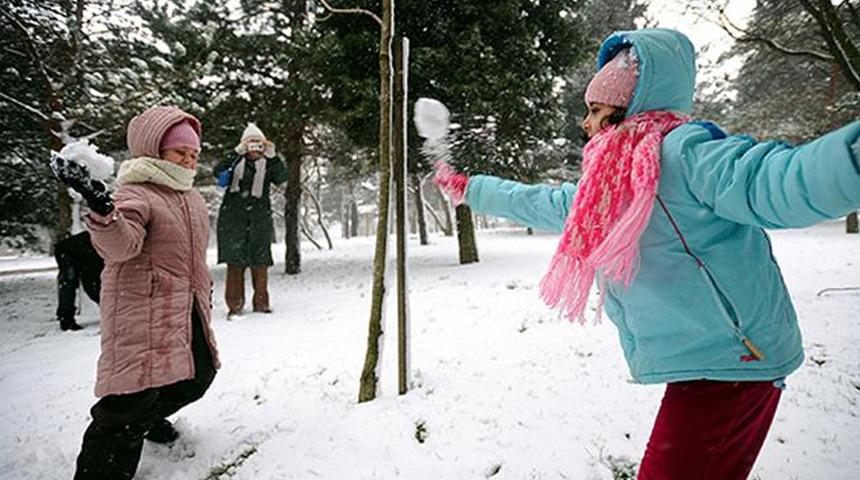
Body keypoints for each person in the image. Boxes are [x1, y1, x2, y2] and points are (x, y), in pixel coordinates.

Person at [433, 28, 860, 479]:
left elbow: (776, 179)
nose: (586, 122)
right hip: (708, 361)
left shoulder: (687, 154)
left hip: (737, 360)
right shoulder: (609, 182)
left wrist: (849, 161)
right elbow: (542, 201)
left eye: (596, 110)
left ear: (627, 110)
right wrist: (472, 189)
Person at [52, 105, 221, 480]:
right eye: (180, 152)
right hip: (141, 311)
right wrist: (102, 210)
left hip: (184, 307)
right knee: (127, 406)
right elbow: (120, 247)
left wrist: (203, 292)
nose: (189, 161)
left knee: (198, 375)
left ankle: (146, 420)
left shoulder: (191, 198)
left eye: (194, 154)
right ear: (153, 150)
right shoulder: (137, 193)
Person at [215, 123, 288, 316]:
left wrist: (273, 157)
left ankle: (261, 303)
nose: (255, 148)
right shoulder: (234, 161)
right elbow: (217, 171)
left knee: (260, 261)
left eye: (259, 144)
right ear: (244, 145)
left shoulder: (268, 163)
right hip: (233, 217)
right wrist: (235, 152)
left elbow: (282, 178)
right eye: (251, 143)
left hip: (259, 218)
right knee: (235, 262)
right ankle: (234, 305)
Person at [54, 228, 103, 331]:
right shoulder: (97, 252)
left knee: (68, 283)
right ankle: (66, 319)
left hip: (72, 250)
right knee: (69, 282)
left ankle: (64, 316)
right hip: (70, 251)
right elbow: (92, 285)